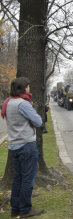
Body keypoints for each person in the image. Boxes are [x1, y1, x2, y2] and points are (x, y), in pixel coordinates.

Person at [1, 77, 44, 218]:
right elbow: (38, 122)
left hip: (14, 146)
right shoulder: (23, 104)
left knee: (18, 178)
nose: (29, 88)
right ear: (23, 88)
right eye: (28, 86)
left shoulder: (7, 102)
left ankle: (15, 209)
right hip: (26, 145)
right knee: (27, 179)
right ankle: (25, 210)